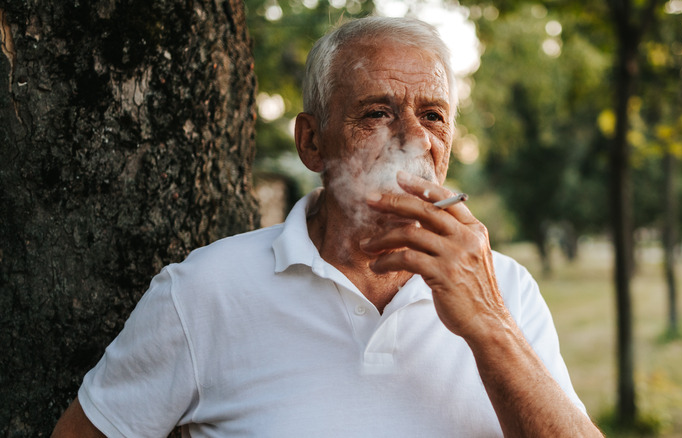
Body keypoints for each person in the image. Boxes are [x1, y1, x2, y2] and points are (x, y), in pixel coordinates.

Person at [53, 16, 602, 437]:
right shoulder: (202, 292)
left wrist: (487, 323)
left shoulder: (507, 289)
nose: (414, 139)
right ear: (311, 142)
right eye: (378, 112)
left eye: (433, 115)